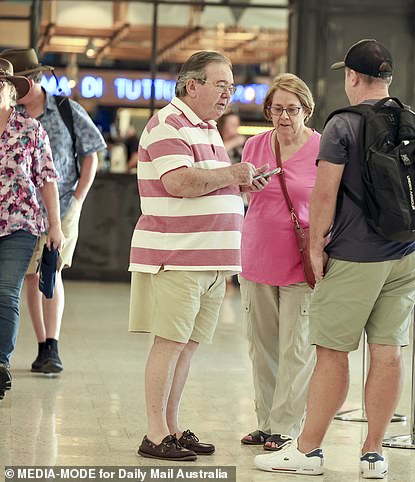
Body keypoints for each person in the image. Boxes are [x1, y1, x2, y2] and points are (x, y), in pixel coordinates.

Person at [254, 39, 415, 478]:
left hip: (355, 258)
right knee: (387, 352)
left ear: (352, 77)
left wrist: (315, 248)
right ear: (387, 78)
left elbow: (324, 193)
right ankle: (374, 454)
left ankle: (309, 451)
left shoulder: (343, 125)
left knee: (332, 352)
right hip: (408, 257)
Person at [127, 50, 268, 462]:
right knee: (169, 344)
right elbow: (180, 183)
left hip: (209, 260)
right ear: (193, 85)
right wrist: (233, 174)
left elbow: (208, 183)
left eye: (231, 86)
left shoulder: (205, 128)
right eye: (220, 84)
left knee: (187, 346)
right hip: (177, 255)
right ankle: (154, 435)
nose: (228, 93)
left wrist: (240, 185)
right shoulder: (168, 123)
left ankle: (171, 426)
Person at [0, 48, 107, 374]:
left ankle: (52, 345)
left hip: (58, 204)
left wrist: (77, 199)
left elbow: (91, 154)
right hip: (23, 213)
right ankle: (42, 343)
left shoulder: (63, 110)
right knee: (29, 278)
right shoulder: (17, 114)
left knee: (49, 270)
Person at [239, 73, 320, 451]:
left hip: (301, 261)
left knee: (296, 346)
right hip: (257, 255)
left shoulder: (323, 148)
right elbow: (242, 196)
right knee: (262, 344)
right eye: (276, 109)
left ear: (306, 109)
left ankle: (286, 425)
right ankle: (266, 420)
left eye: (291, 109)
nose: (283, 116)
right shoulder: (254, 145)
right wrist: (246, 186)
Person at [0, 58, 64, 400]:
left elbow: (47, 180)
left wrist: (55, 225)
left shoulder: (30, 130)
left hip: (20, 224)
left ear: (11, 91)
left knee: (5, 290)